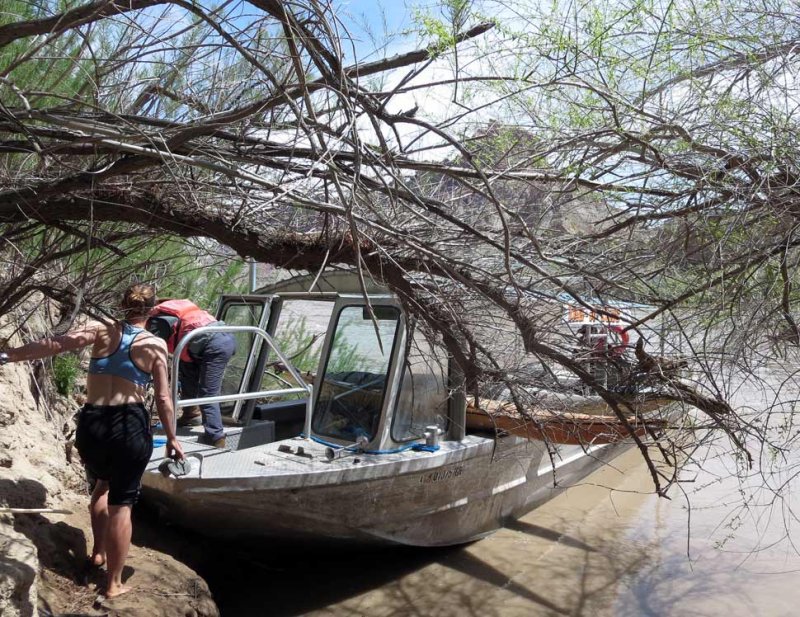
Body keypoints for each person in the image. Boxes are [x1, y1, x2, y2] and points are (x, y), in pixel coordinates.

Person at [0, 283, 184, 600]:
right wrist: (172, 438)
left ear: (120, 304)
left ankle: (98, 553)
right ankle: (112, 583)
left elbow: (54, 344)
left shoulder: (99, 329)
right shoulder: (155, 346)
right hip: (129, 425)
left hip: (93, 423)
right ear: (153, 310)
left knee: (101, 485)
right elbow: (164, 399)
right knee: (122, 505)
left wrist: (10, 354)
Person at [147, 298, 236, 448]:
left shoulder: (158, 321)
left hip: (215, 345)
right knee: (186, 373)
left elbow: (155, 345)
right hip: (206, 343)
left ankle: (216, 437)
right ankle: (191, 414)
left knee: (208, 392)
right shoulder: (172, 314)